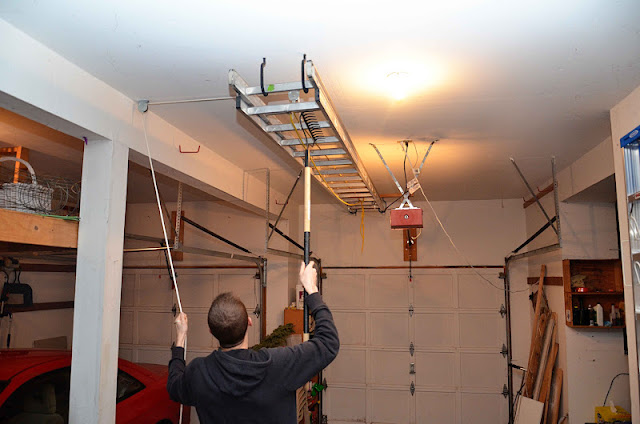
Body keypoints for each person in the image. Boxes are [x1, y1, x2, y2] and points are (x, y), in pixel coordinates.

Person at [167, 262, 339, 424]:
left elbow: (174, 386)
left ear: (211, 331)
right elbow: (328, 342)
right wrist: (312, 290)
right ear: (249, 322)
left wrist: (181, 339)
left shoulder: (199, 372)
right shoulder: (278, 364)